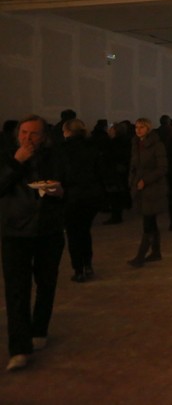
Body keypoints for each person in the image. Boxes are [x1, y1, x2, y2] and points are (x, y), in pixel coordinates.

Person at [0, 115, 66, 371]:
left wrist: (60, 192)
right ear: (17, 135)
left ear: (44, 136)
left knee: (46, 283)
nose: (28, 138)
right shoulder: (7, 156)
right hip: (15, 231)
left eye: (34, 133)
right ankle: (19, 348)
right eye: (24, 133)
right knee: (17, 290)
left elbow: (69, 185)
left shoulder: (54, 157)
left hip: (48, 230)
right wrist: (16, 162)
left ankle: (39, 329)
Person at [60, 118, 104, 283]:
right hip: (91, 195)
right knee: (84, 231)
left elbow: (62, 174)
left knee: (73, 234)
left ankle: (78, 269)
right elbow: (99, 171)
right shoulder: (92, 147)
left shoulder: (64, 150)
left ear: (67, 132)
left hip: (72, 195)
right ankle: (88, 264)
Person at [127, 118, 168, 268]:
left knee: (148, 222)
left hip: (152, 189)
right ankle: (156, 252)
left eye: (142, 127)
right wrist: (132, 181)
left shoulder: (157, 145)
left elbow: (162, 168)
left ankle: (141, 255)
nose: (138, 130)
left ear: (148, 129)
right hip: (140, 188)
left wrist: (146, 180)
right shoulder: (136, 144)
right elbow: (134, 166)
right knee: (150, 221)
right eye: (136, 127)